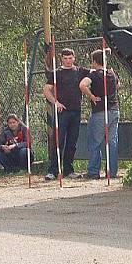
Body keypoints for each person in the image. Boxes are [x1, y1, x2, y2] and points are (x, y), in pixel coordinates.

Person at [43, 48, 89, 180]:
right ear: (61, 59)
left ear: (74, 58)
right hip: (61, 112)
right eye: (65, 58)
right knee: (58, 141)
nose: (68, 61)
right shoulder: (57, 73)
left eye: (70, 58)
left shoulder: (80, 71)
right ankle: (53, 171)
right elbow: (46, 90)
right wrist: (56, 103)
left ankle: (69, 170)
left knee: (72, 142)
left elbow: (95, 72)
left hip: (76, 111)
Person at [80, 49, 119, 179]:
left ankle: (93, 172)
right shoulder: (112, 74)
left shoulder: (94, 75)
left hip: (100, 111)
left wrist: (91, 96)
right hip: (114, 110)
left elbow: (82, 85)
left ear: (94, 62)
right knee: (112, 142)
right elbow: (118, 85)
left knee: (95, 142)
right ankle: (112, 172)